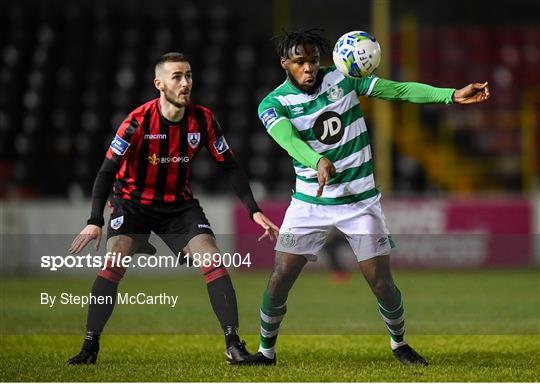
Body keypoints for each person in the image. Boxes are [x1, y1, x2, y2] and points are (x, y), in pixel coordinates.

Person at [243, 30, 490, 366]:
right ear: (285, 63)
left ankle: (399, 343)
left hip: (359, 202)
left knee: (380, 281)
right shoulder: (273, 104)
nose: (309, 68)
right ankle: (265, 352)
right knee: (279, 277)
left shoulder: (343, 79)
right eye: (300, 62)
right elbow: (288, 139)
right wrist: (316, 160)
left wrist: (451, 96)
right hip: (309, 204)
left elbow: (399, 90)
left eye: (313, 60)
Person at [67, 52, 279, 365]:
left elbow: (230, 166)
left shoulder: (203, 119)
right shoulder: (137, 121)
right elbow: (106, 171)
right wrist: (95, 220)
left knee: (213, 260)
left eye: (188, 76)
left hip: (178, 205)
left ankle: (233, 344)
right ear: (159, 84)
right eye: (176, 77)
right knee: (114, 262)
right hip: (133, 202)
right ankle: (89, 347)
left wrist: (253, 210)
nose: (185, 83)